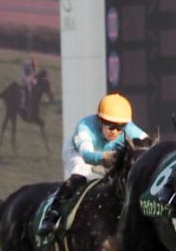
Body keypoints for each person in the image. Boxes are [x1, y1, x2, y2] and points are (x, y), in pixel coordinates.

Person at [39, 93, 147, 235]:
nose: (115, 132)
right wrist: (105, 156)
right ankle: (52, 215)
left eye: (120, 127)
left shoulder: (129, 128)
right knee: (81, 174)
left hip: (108, 155)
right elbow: (87, 155)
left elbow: (148, 145)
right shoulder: (85, 126)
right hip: (78, 152)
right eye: (110, 126)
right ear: (99, 120)